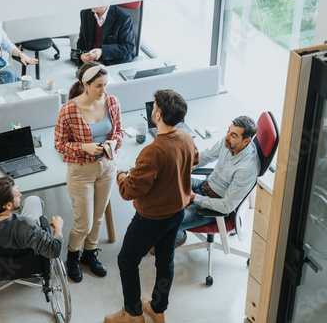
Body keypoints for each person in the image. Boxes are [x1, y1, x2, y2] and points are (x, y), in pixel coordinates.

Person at [105, 90, 199, 323]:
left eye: (154, 107)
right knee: (165, 260)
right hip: (177, 211)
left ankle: (133, 314)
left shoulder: (153, 151)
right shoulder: (186, 136)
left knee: (127, 261)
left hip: (151, 218)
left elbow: (129, 192)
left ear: (157, 114)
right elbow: (193, 160)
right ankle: (158, 308)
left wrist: (121, 175)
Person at [54, 61, 124, 283]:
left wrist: (113, 144)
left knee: (98, 216)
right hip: (81, 170)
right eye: (99, 86)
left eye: (105, 85)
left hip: (107, 166)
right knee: (84, 220)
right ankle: (72, 256)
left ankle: (89, 253)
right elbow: (59, 144)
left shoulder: (112, 102)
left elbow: (119, 132)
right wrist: (83, 147)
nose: (104, 90)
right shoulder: (68, 110)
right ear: (85, 84)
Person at [170, 116, 260, 250]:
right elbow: (206, 156)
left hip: (214, 205)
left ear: (246, 141)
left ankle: (178, 236)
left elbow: (226, 206)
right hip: (204, 186)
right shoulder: (228, 142)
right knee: (165, 182)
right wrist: (186, 165)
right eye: (228, 131)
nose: (227, 137)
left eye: (233, 135)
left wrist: (194, 197)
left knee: (171, 222)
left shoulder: (246, 169)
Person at [0, 176, 64, 259]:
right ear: (8, 205)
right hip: (25, 256)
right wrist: (58, 227)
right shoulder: (26, 225)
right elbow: (55, 250)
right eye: (17, 195)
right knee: (33, 200)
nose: (20, 195)